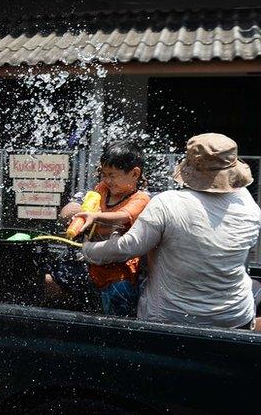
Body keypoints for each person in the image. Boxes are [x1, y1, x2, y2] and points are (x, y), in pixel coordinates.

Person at [83, 133, 261, 329]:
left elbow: (127, 247)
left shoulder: (167, 202)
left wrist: (87, 249)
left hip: (170, 318)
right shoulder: (248, 204)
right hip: (235, 317)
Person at [72, 141, 150, 316]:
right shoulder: (102, 189)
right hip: (95, 265)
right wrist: (79, 213)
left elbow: (123, 216)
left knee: (116, 312)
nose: (107, 180)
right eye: (104, 174)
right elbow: (86, 205)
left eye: (112, 175)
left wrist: (95, 216)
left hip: (121, 273)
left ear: (134, 174)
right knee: (93, 311)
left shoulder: (141, 198)